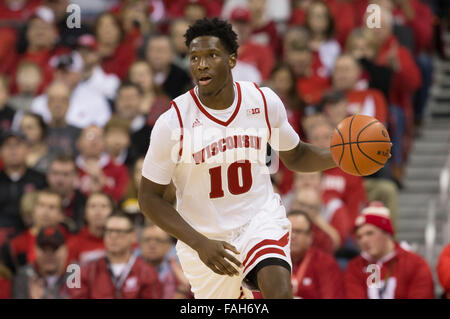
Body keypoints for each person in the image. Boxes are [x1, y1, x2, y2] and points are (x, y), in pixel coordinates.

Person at [138, 18, 337, 299]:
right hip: (204, 239)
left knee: (279, 290)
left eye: (211, 56)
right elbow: (149, 199)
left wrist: (342, 156)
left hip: (258, 219)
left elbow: (297, 155)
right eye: (194, 58)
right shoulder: (173, 122)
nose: (201, 65)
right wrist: (200, 243)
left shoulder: (262, 101)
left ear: (232, 60)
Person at [344, 202, 434, 299]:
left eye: (370, 233)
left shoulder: (415, 264)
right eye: (359, 237)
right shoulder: (356, 267)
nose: (364, 240)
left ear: (387, 233)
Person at [69, 213, 162, 299]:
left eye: (119, 231)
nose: (113, 236)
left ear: (133, 236)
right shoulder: (86, 270)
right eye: (109, 231)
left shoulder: (147, 272)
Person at [0, 131, 47, 245]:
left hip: (32, 234)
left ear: (28, 149)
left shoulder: (40, 179)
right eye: (8, 146)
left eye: (18, 145)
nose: (13, 150)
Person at [288, 210, 344, 299]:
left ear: (310, 237)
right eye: (288, 231)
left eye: (298, 231)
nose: (292, 236)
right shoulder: (272, 260)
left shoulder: (325, 262)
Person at [12, 226, 70, 299]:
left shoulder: (77, 274)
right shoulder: (24, 276)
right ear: (35, 250)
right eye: (44, 249)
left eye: (54, 248)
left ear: (65, 250)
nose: (49, 254)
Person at [76, 125, 129, 202]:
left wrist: (101, 181)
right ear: (79, 142)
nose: (94, 141)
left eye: (99, 137)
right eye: (89, 136)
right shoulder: (70, 168)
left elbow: (120, 198)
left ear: (105, 143)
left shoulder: (119, 169)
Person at [140, 223, 191, 299]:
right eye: (147, 240)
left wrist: (185, 286)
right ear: (140, 244)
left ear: (169, 246)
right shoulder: (130, 268)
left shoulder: (181, 272)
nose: (152, 245)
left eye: (158, 240)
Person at [67, 192, 114, 265]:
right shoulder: (74, 243)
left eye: (103, 206)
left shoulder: (121, 240)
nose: (98, 212)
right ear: (85, 213)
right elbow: (72, 275)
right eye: (93, 206)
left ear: (112, 212)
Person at [145, 34, 193, 100]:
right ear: (146, 53)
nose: (157, 55)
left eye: (161, 50)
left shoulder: (182, 77)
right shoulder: (138, 73)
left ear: (172, 53)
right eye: (153, 50)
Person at [46, 153, 86, 230]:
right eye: (55, 173)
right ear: (48, 175)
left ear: (76, 176)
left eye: (66, 174)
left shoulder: (84, 203)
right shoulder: (37, 199)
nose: (59, 179)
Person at [44, 81, 81, 157]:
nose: (58, 105)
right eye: (53, 100)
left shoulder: (79, 134)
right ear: (47, 103)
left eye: (63, 100)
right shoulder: (39, 131)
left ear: (69, 104)